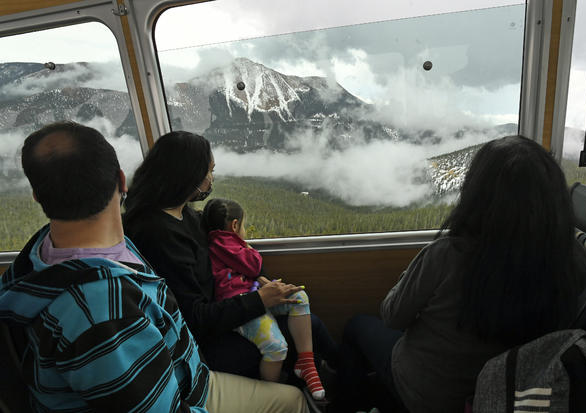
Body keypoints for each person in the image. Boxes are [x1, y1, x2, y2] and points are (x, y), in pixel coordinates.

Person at [0, 121, 308, 412]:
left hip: (181, 366)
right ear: (121, 181)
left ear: (38, 196)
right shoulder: (102, 312)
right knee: (293, 400)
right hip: (187, 386)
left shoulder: (46, 249)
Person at [336, 135, 586, 413]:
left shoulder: (447, 255)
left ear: (477, 195)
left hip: (426, 392)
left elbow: (393, 315)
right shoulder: (570, 263)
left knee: (355, 326)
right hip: (501, 395)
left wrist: (410, 276)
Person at [123, 131, 337, 381]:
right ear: (188, 175)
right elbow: (194, 317)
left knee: (305, 318)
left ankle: (338, 380)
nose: (211, 179)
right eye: (209, 171)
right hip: (205, 342)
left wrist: (261, 280)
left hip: (225, 308)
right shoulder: (158, 235)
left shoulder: (187, 215)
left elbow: (229, 252)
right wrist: (259, 300)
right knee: (306, 327)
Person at [202, 197, 325, 399]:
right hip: (242, 306)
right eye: (244, 226)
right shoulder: (224, 244)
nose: (245, 231)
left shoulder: (221, 243)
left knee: (299, 297)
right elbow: (253, 265)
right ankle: (272, 392)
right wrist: (250, 249)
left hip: (252, 294)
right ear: (234, 225)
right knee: (276, 347)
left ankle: (306, 361)